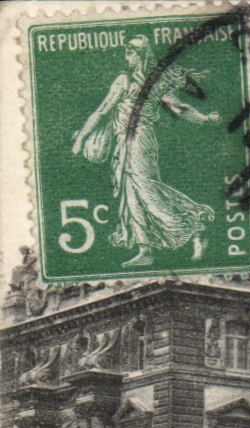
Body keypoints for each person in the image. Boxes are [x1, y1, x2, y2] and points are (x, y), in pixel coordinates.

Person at [70, 37, 220, 268]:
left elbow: (179, 107)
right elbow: (101, 111)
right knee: (131, 195)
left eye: (130, 53)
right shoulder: (123, 81)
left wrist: (205, 120)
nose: (126, 58)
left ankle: (195, 227)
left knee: (146, 189)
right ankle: (145, 249)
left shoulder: (152, 82)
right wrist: (81, 137)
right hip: (123, 142)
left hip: (140, 139)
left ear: (139, 55)